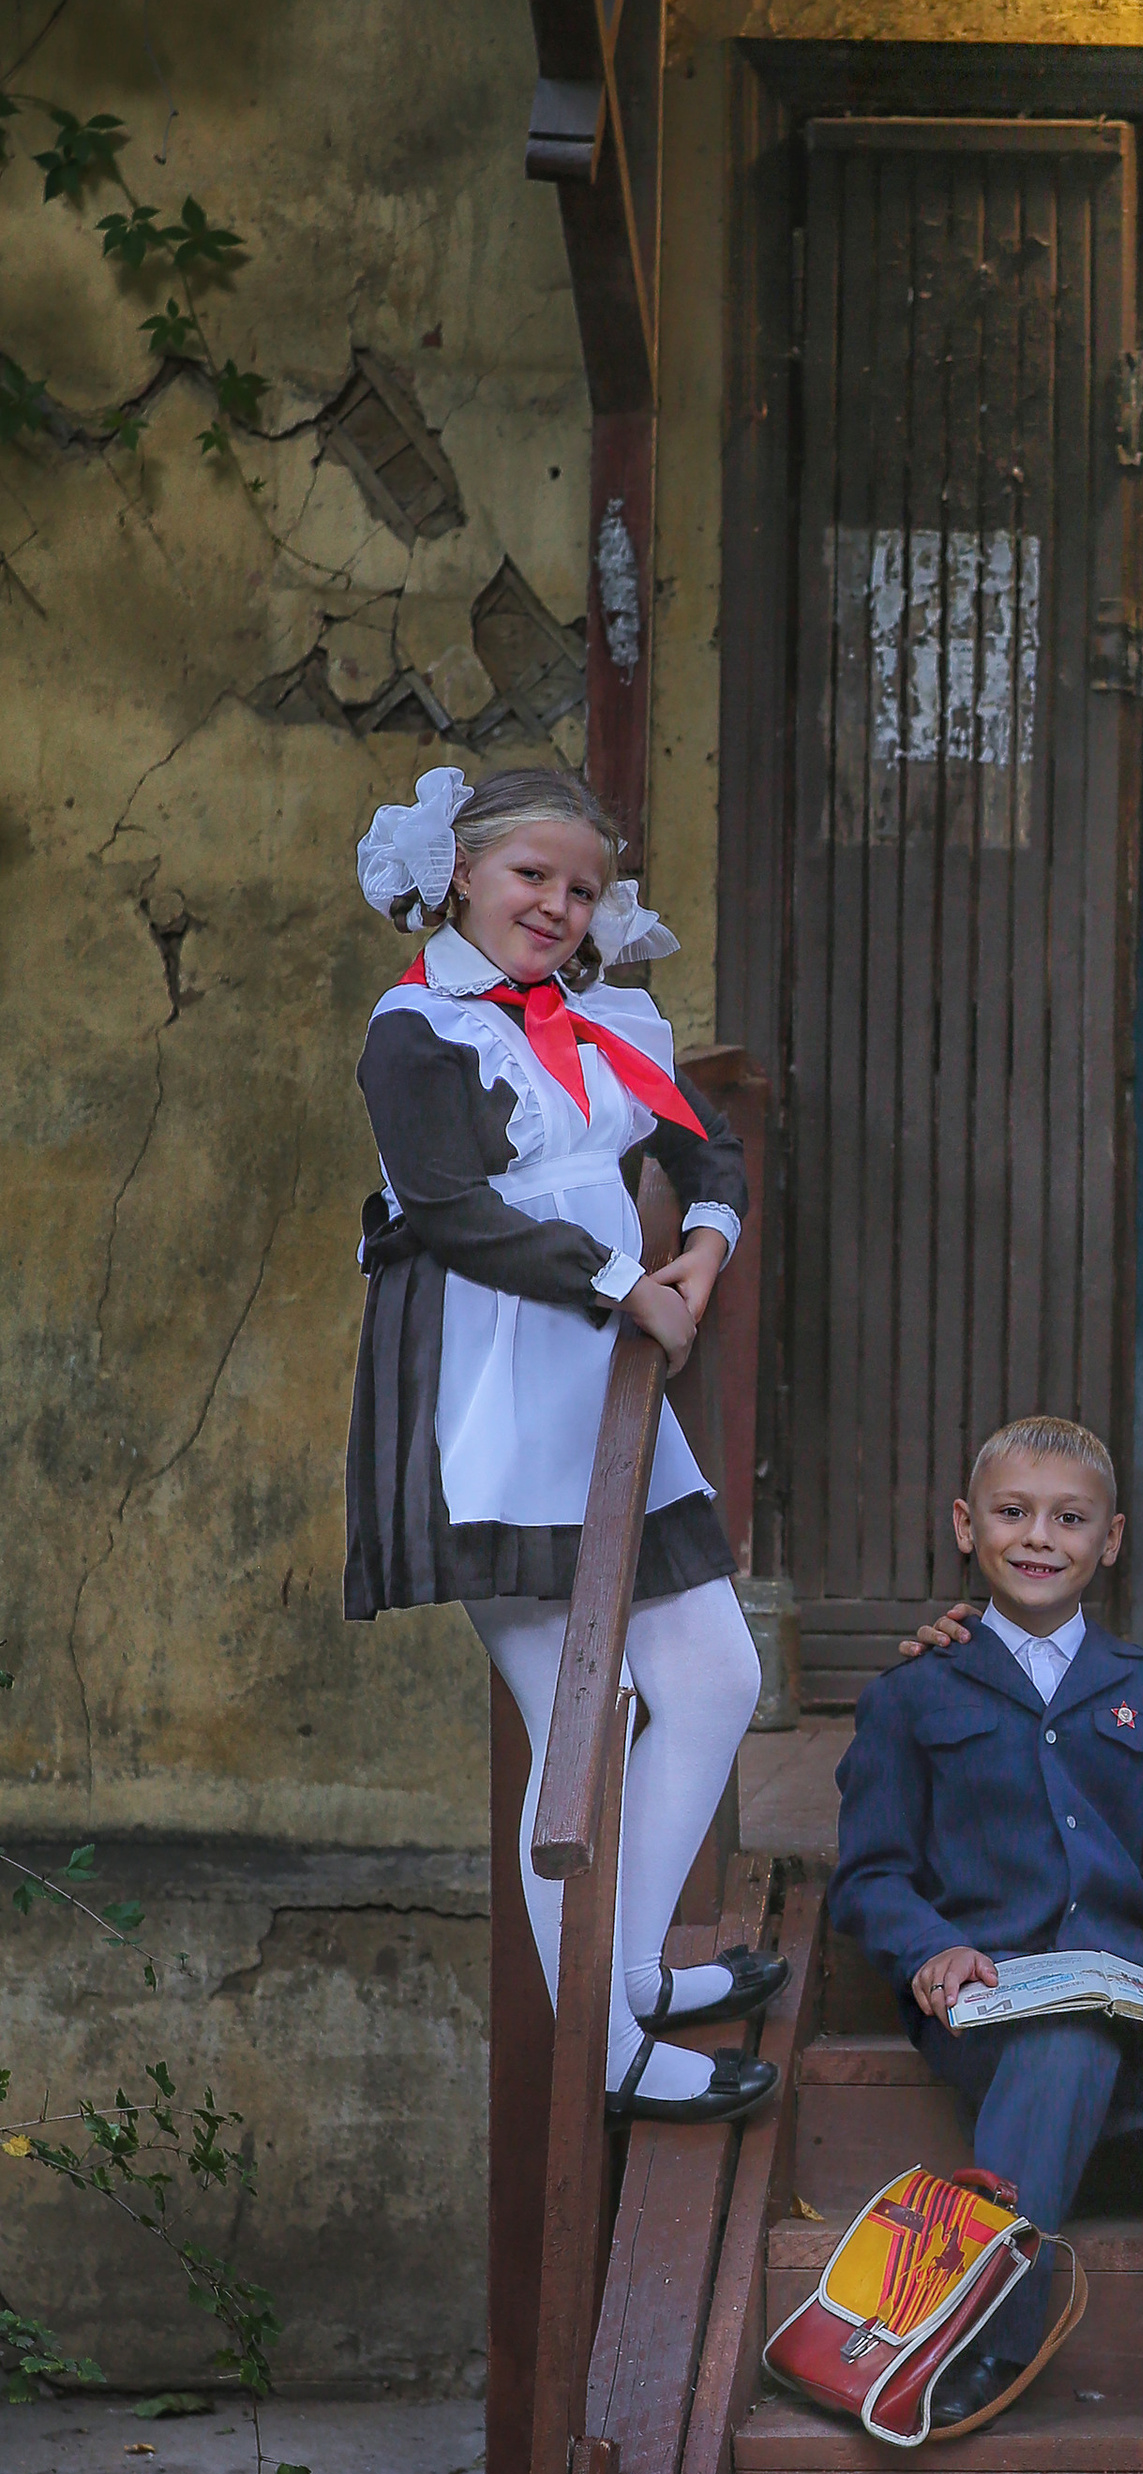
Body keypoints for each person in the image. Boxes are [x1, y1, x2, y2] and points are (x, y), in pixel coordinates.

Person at [345, 762, 778, 2127]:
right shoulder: (416, 1032)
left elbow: (710, 1159)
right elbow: (451, 1208)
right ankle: (605, 2040)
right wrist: (620, 1288)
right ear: (462, 872)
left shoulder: (607, 1015)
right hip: (487, 1391)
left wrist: (698, 1264)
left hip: (611, 1377)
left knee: (712, 1673)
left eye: (582, 886)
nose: (558, 903)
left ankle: (635, 1975)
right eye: (533, 875)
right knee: (576, 1732)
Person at [830, 1416, 1143, 2431]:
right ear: (967, 1527)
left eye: (1070, 1518)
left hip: (1135, 1997)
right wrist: (931, 1947)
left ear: (1110, 1540)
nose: (1039, 1537)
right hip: (993, 2009)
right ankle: (979, 2339)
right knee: (1064, 2046)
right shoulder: (913, 1696)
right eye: (1013, 1514)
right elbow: (872, 1873)